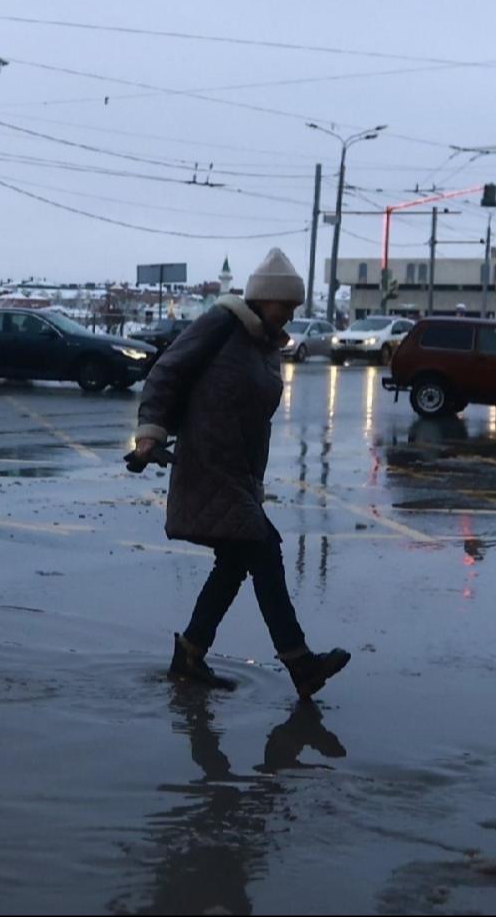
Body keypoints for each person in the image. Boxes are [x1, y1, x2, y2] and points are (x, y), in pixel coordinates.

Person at [130, 248, 350, 699]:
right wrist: (150, 434)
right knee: (263, 547)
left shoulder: (265, 344)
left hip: (242, 469)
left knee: (235, 561)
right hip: (209, 463)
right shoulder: (222, 325)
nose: (291, 314)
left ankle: (190, 652)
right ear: (263, 298)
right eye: (286, 304)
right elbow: (167, 372)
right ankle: (299, 662)